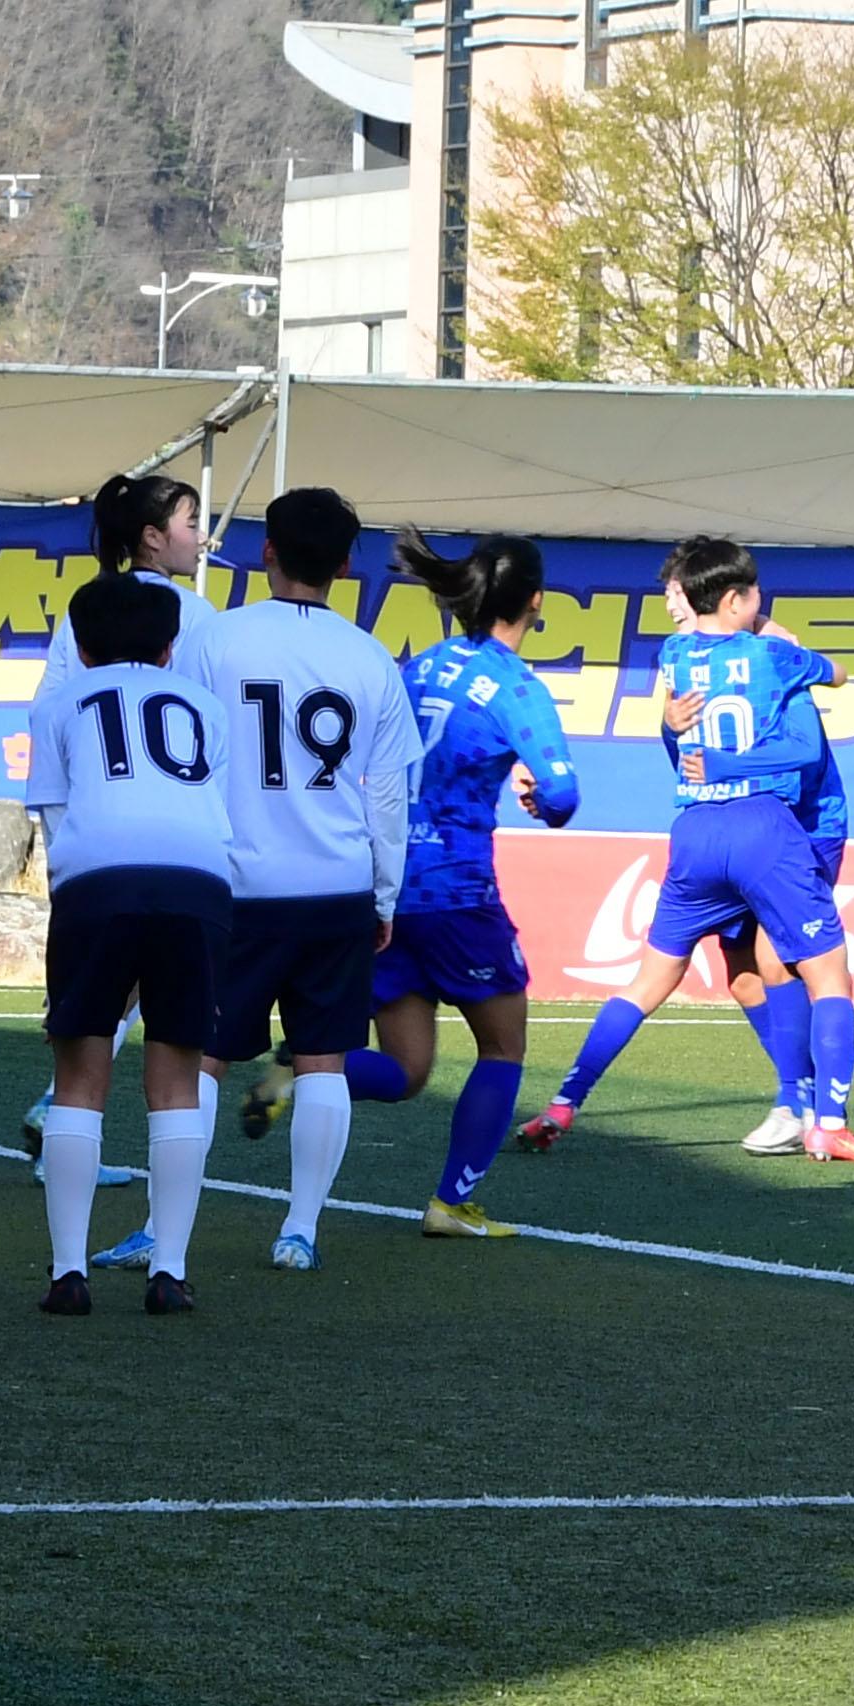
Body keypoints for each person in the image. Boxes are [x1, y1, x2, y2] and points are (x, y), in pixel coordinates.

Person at [516, 536, 854, 1163]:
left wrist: (712, 755)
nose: (669, 607)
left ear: (706, 596)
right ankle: (819, 1114)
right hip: (758, 825)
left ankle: (794, 1102)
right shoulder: (766, 655)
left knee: (759, 963)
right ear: (736, 598)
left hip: (793, 822)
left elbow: (804, 752)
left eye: (675, 595)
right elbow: (820, 689)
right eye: (665, 597)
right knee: (764, 975)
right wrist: (693, 736)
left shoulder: (679, 655)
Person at [194, 486, 420, 1271]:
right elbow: (389, 796)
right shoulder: (370, 657)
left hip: (234, 886)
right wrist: (384, 894)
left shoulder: (214, 641)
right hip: (337, 885)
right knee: (324, 1059)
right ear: (347, 563)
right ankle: (301, 1229)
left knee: (201, 1059)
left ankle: (167, 1233)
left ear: (267, 552)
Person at [345, 530, 582, 1239]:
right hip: (457, 891)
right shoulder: (517, 688)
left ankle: (305, 1066)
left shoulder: (418, 669)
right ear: (535, 602)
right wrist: (541, 798)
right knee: (503, 1048)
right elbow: (564, 795)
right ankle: (451, 1202)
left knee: (407, 1068)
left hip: (384, 888)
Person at [23, 576, 235, 1316]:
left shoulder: (58, 705)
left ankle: (67, 1275)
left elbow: (54, 815)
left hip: (96, 887)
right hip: (197, 887)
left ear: (79, 648)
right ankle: (169, 1272)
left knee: (80, 1080)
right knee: (176, 1084)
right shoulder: (207, 706)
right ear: (171, 647)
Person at [23, 473, 230, 1172]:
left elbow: (47, 705)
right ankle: (166, 1249)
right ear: (151, 535)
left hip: (93, 834)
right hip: (177, 842)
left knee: (103, 1000)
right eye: (191, 520)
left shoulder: (89, 610)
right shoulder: (191, 615)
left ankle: (62, 1110)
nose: (202, 537)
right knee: (172, 1048)